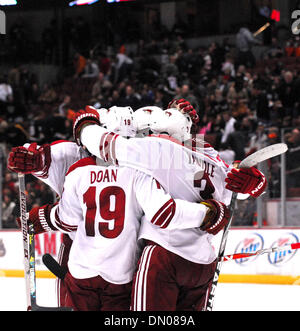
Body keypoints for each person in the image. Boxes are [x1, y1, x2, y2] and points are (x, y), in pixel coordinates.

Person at [11, 107, 230, 311]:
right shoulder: (141, 170)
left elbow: (65, 215)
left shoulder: (79, 169)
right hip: (122, 273)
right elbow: (165, 212)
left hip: (79, 266)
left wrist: (39, 217)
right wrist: (209, 213)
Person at [74, 101, 267, 310]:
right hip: (203, 264)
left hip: (164, 256)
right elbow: (238, 190)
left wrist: (85, 127)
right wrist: (258, 186)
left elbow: (107, 146)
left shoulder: (159, 149)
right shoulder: (214, 159)